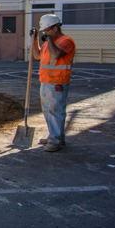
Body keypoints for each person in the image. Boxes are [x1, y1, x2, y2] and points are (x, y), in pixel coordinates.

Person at [30, 14, 76, 152]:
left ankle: (55, 140)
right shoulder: (48, 43)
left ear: (55, 28)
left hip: (58, 82)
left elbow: (56, 55)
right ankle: (54, 136)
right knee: (47, 110)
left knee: (56, 110)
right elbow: (37, 55)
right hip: (45, 80)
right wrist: (35, 39)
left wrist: (49, 40)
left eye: (47, 31)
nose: (45, 33)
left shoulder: (66, 41)